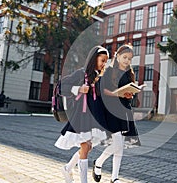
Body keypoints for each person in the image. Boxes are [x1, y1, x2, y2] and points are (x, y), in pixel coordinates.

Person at [54, 46, 109, 183]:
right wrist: (78, 88)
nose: (104, 64)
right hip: (81, 117)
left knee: (88, 147)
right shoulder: (81, 74)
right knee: (85, 147)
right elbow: (61, 86)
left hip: (93, 119)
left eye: (106, 61)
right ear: (93, 59)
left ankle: (67, 168)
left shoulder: (99, 78)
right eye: (102, 60)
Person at [92, 44, 140, 183]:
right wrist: (116, 94)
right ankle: (99, 163)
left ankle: (114, 178)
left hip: (124, 110)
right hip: (111, 110)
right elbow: (102, 90)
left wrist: (130, 95)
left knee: (120, 145)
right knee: (118, 144)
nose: (127, 61)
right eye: (124, 57)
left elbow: (130, 92)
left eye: (129, 59)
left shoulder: (129, 73)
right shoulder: (108, 71)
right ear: (117, 56)